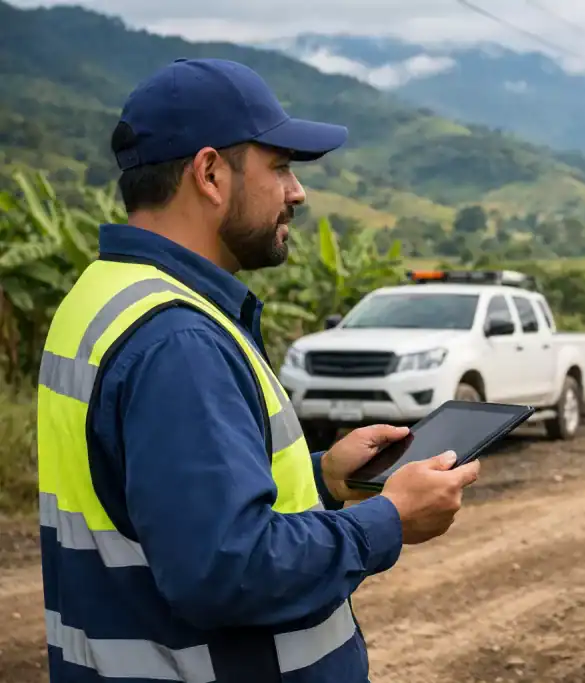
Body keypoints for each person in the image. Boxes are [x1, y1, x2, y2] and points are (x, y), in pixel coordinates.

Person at [35, 57, 481, 683]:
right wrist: (387, 520)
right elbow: (225, 572)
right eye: (279, 167)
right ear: (210, 172)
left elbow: (163, 507)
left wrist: (324, 482)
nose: (296, 191)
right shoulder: (179, 339)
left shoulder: (102, 293)